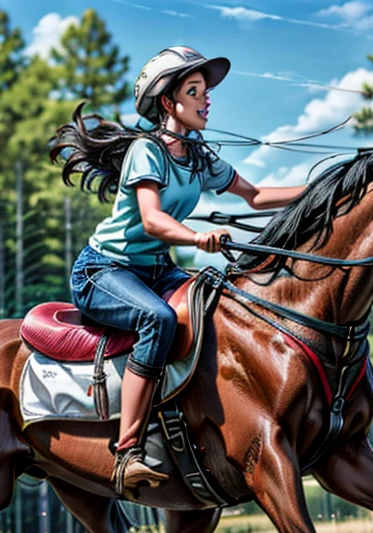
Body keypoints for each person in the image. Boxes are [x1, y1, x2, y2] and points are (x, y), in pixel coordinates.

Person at [51, 46, 304, 498]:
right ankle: (127, 452)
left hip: (155, 270)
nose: (206, 101)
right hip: (104, 271)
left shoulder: (200, 156)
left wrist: (327, 187)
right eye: (194, 91)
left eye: (206, 92)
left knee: (222, 305)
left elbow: (258, 195)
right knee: (159, 319)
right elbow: (152, 220)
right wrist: (196, 238)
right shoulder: (147, 151)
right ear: (168, 103)